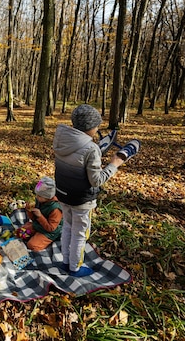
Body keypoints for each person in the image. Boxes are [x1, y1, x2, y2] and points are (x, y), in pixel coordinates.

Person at [53, 104, 128, 277]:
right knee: (80, 233)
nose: (97, 129)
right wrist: (114, 164)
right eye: (97, 126)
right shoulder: (91, 148)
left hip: (63, 194)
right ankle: (75, 268)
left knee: (67, 227)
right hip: (81, 200)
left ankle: (65, 262)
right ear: (90, 127)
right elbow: (96, 181)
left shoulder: (62, 139)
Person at [17, 176, 63, 252]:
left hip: (49, 232)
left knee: (32, 245)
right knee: (20, 233)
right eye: (37, 195)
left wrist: (40, 216)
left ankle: (41, 240)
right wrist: (29, 210)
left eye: (39, 196)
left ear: (47, 197)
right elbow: (34, 219)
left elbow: (51, 228)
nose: (37, 197)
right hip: (38, 225)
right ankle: (34, 235)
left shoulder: (55, 209)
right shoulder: (40, 200)